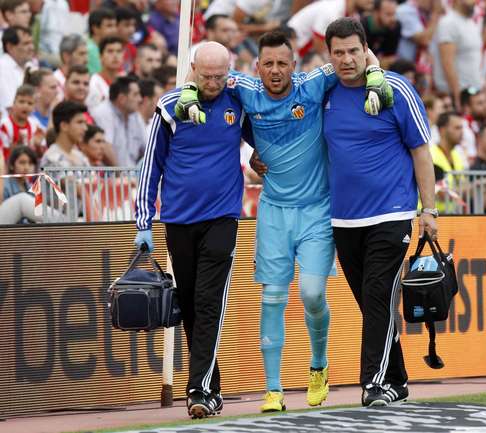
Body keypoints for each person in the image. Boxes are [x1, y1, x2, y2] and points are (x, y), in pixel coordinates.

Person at [176, 33, 392, 413]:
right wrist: (189, 93)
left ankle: (318, 365)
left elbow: (358, 54)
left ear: (294, 66)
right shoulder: (242, 87)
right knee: (272, 300)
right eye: (268, 64)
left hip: (317, 211)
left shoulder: (314, 83)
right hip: (273, 210)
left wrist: (375, 74)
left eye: (282, 63)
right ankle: (273, 390)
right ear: (256, 68)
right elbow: (206, 71)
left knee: (312, 294)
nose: (275, 71)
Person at [319, 17, 436, 407]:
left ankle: (373, 383)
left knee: (376, 295)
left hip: (392, 214)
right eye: (339, 52)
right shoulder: (325, 90)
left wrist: (429, 210)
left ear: (365, 48)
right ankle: (398, 379)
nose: (347, 59)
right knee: (374, 304)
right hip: (343, 220)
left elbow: (421, 150)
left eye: (354, 50)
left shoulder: (396, 89)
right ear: (329, 55)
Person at [134, 42, 250, 420]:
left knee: (208, 301)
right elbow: (151, 166)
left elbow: (264, 130)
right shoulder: (170, 108)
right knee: (190, 307)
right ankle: (210, 387)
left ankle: (198, 389)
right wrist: (143, 222)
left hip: (223, 216)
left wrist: (266, 156)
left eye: (220, 75)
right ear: (192, 70)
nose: (214, 83)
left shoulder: (238, 97)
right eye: (206, 76)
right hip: (179, 220)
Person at [430, 0, 482, 111]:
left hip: (472, 93)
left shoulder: (471, 23)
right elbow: (447, 62)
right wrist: (457, 95)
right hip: (457, 94)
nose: (474, 3)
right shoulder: (449, 23)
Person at [91, 75, 146, 167]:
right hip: (110, 177)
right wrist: (122, 176)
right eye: (135, 94)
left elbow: (148, 148)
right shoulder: (103, 112)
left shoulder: (135, 116)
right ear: (122, 99)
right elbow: (106, 147)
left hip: (132, 176)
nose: (140, 99)